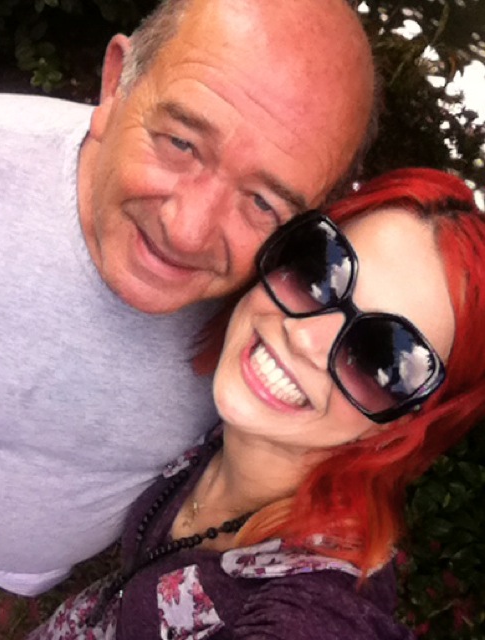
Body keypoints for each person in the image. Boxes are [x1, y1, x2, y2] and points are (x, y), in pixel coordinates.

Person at [0, 0, 376, 636]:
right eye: (181, 143)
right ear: (115, 85)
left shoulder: (276, 317)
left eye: (263, 202)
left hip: (15, 564)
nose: (187, 232)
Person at [25, 167, 485, 639]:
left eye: (381, 358)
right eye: (320, 272)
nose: (305, 336)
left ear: (406, 423)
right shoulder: (215, 423)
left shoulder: (320, 600)